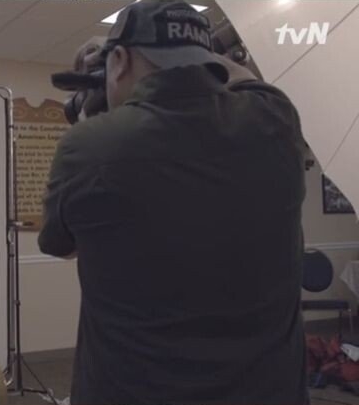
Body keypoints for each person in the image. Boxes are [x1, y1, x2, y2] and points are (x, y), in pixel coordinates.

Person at [39, 1, 307, 404]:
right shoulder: (277, 119)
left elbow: (62, 246)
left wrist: (107, 85)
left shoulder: (89, 146)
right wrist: (191, 51)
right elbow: (243, 78)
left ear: (119, 62)